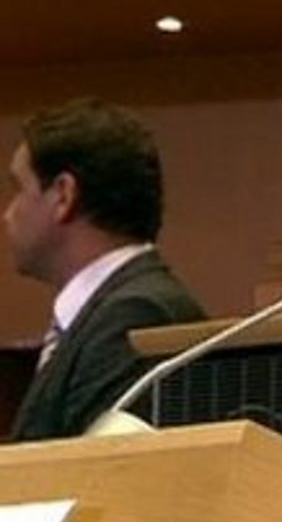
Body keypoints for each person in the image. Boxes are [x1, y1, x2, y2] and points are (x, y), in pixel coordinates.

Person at [5, 98, 205, 442]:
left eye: (18, 189)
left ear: (63, 195)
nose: (7, 214)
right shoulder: (114, 309)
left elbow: (95, 468)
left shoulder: (136, 314)